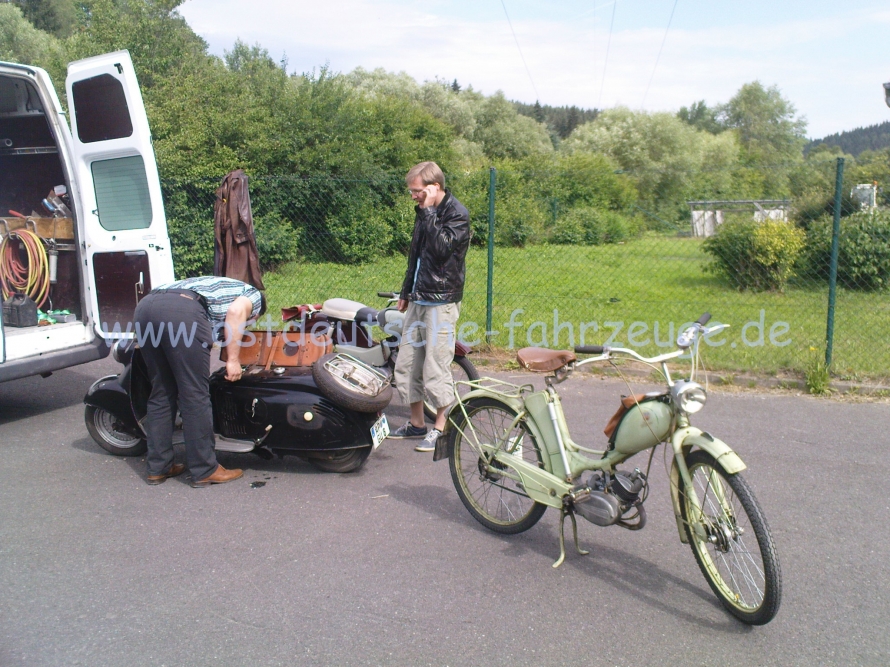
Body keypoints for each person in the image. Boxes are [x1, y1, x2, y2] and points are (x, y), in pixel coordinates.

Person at [133, 276, 265, 487]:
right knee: (194, 393)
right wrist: (233, 360)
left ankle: (159, 467)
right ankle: (205, 469)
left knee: (161, 391)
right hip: (182, 312)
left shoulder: (215, 285)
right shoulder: (253, 295)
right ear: (257, 312)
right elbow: (236, 314)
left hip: (146, 307)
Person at [389, 162, 471, 452]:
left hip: (442, 301)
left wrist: (429, 212)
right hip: (418, 298)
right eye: (412, 191)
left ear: (435, 187)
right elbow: (416, 255)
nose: (414, 196)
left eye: (418, 191)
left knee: (436, 365)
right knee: (408, 363)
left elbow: (440, 249)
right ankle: (416, 424)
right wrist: (406, 290)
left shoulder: (456, 214)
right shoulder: (425, 212)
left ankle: (441, 429)